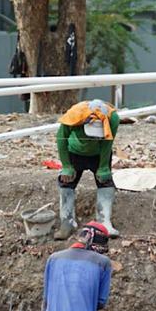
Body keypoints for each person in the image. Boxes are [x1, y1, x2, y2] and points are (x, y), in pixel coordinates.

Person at [55, 99, 120, 239]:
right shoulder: (74, 115)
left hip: (99, 153)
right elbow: (61, 138)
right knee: (66, 182)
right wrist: (66, 166)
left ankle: (104, 221)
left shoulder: (112, 118)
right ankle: (67, 221)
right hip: (74, 151)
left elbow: (108, 141)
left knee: (105, 181)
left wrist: (103, 167)